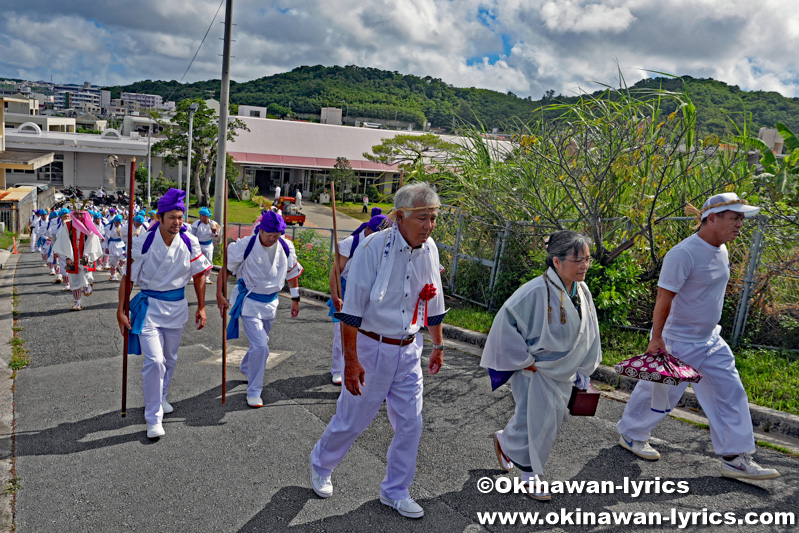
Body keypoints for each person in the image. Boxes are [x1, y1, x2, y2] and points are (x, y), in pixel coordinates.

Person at [616, 193, 780, 480]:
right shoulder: (683, 253)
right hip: (678, 340)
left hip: (711, 340)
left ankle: (734, 458)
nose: (740, 223)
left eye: (741, 218)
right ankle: (631, 434)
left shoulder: (722, 250)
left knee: (729, 393)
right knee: (660, 394)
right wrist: (657, 338)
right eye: (735, 217)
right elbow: (664, 298)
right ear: (712, 218)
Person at [309, 182, 446, 519]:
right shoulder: (371, 248)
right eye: (423, 218)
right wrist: (351, 361)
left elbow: (435, 302)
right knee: (353, 419)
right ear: (400, 216)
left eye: (433, 219)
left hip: (409, 349)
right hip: (372, 348)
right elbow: (351, 311)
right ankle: (321, 464)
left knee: (411, 424)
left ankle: (396, 490)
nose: (429, 226)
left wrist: (438, 343)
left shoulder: (430, 250)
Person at [481, 231, 601, 501]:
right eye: (578, 259)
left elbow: (590, 330)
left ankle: (505, 440)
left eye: (588, 259)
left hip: (564, 369)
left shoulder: (582, 290)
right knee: (538, 421)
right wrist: (525, 360)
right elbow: (505, 323)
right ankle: (530, 475)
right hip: (536, 368)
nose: (584, 265)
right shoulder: (535, 290)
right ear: (556, 262)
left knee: (543, 420)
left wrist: (585, 368)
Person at [116, 188, 212, 439]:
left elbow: (199, 275)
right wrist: (121, 308)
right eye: (171, 217)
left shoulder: (189, 241)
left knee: (169, 358)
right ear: (159, 217)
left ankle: (163, 395)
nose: (177, 223)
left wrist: (201, 306)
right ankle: (153, 416)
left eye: (180, 217)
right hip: (149, 308)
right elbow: (127, 278)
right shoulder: (143, 242)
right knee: (155, 361)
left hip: (177, 307)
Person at [216, 211, 303, 407]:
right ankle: (254, 390)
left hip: (271, 303)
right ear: (260, 230)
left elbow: (293, 272)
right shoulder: (245, 245)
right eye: (269, 234)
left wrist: (295, 299)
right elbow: (225, 269)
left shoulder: (286, 246)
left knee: (260, 344)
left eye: (277, 235)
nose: (272, 239)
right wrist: (219, 294)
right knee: (262, 345)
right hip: (249, 302)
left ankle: (247, 366)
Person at [327, 214, 392, 385]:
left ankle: (363, 369)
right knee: (341, 334)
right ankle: (337, 369)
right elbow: (335, 273)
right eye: (376, 233)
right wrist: (335, 297)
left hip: (369, 293)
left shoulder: (384, 244)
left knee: (367, 336)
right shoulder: (350, 244)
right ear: (368, 229)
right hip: (346, 291)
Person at [52, 209, 103, 311]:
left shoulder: (89, 225)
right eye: (77, 214)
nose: (79, 216)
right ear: (73, 214)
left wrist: (87, 254)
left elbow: (92, 240)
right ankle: (78, 302)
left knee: (86, 274)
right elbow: (64, 241)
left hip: (85, 254)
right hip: (72, 256)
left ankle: (88, 284)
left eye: (81, 214)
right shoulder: (68, 226)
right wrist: (67, 257)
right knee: (74, 280)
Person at [191, 207, 219, 284]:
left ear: (206, 216)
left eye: (201, 216)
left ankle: (207, 277)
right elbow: (192, 235)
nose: (200, 217)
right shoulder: (197, 223)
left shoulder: (214, 224)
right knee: (196, 260)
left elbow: (216, 235)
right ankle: (194, 276)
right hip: (198, 245)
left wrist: (215, 232)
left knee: (208, 261)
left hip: (208, 245)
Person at [105, 215, 127, 281]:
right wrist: (106, 247)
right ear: (114, 221)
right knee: (113, 261)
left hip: (121, 244)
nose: (118, 224)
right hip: (112, 245)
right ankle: (113, 275)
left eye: (119, 222)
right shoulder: (109, 227)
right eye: (116, 222)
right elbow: (106, 238)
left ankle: (120, 267)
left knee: (124, 258)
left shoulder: (123, 227)